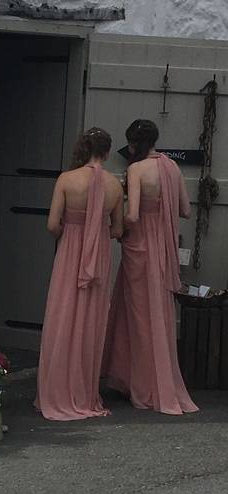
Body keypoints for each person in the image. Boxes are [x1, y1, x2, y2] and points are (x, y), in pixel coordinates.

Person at [102, 119, 199, 415]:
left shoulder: (136, 170)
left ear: (132, 144)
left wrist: (113, 224)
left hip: (140, 249)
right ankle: (140, 379)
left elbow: (131, 216)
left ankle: (141, 385)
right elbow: (185, 209)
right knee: (156, 316)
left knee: (138, 316)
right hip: (163, 251)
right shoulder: (172, 168)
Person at [35, 128, 124, 420]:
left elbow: (52, 224)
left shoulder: (66, 179)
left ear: (84, 149)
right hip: (98, 256)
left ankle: (55, 391)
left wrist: (71, 232)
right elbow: (119, 230)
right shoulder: (115, 185)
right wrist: (96, 232)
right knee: (90, 322)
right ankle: (84, 392)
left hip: (70, 252)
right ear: (108, 152)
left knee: (62, 316)